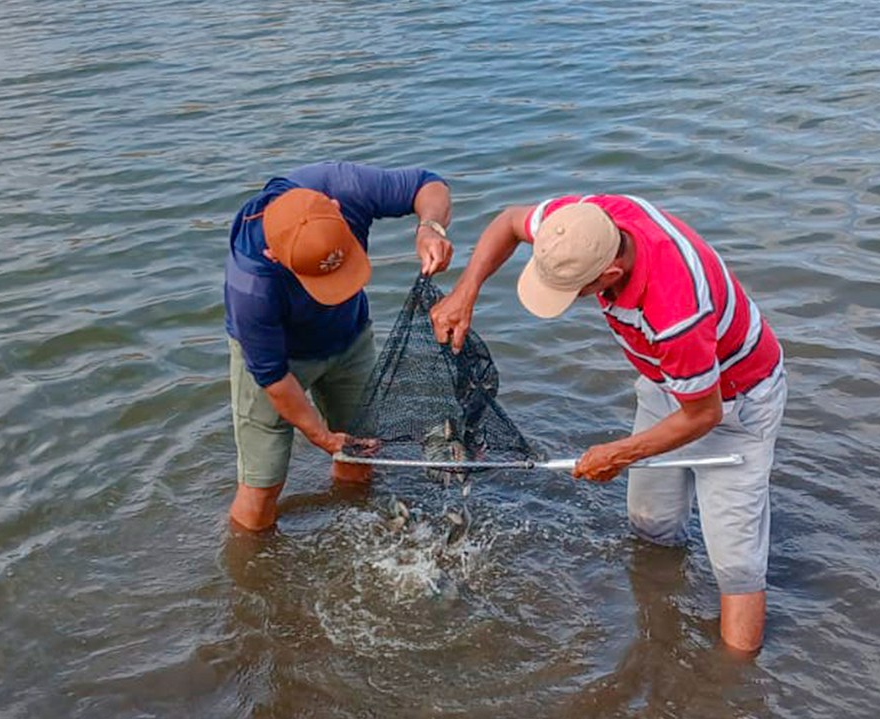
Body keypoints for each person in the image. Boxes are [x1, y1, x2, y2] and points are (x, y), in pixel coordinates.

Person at [429, 195, 786, 652]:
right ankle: (659, 630)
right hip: (669, 383)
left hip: (737, 403)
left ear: (610, 275)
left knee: (736, 566)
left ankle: (733, 691)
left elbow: (704, 415)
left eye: (574, 290)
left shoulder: (676, 312)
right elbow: (509, 222)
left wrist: (618, 453)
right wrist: (466, 291)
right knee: (650, 523)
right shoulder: (583, 222)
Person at [225, 161, 453, 531]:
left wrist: (429, 228)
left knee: (361, 454)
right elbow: (273, 378)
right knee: (261, 486)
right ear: (274, 256)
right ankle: (248, 569)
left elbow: (430, 184)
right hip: (281, 362)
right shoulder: (251, 285)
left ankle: (351, 523)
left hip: (350, 339)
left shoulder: (346, 187)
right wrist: (324, 437)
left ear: (335, 207)